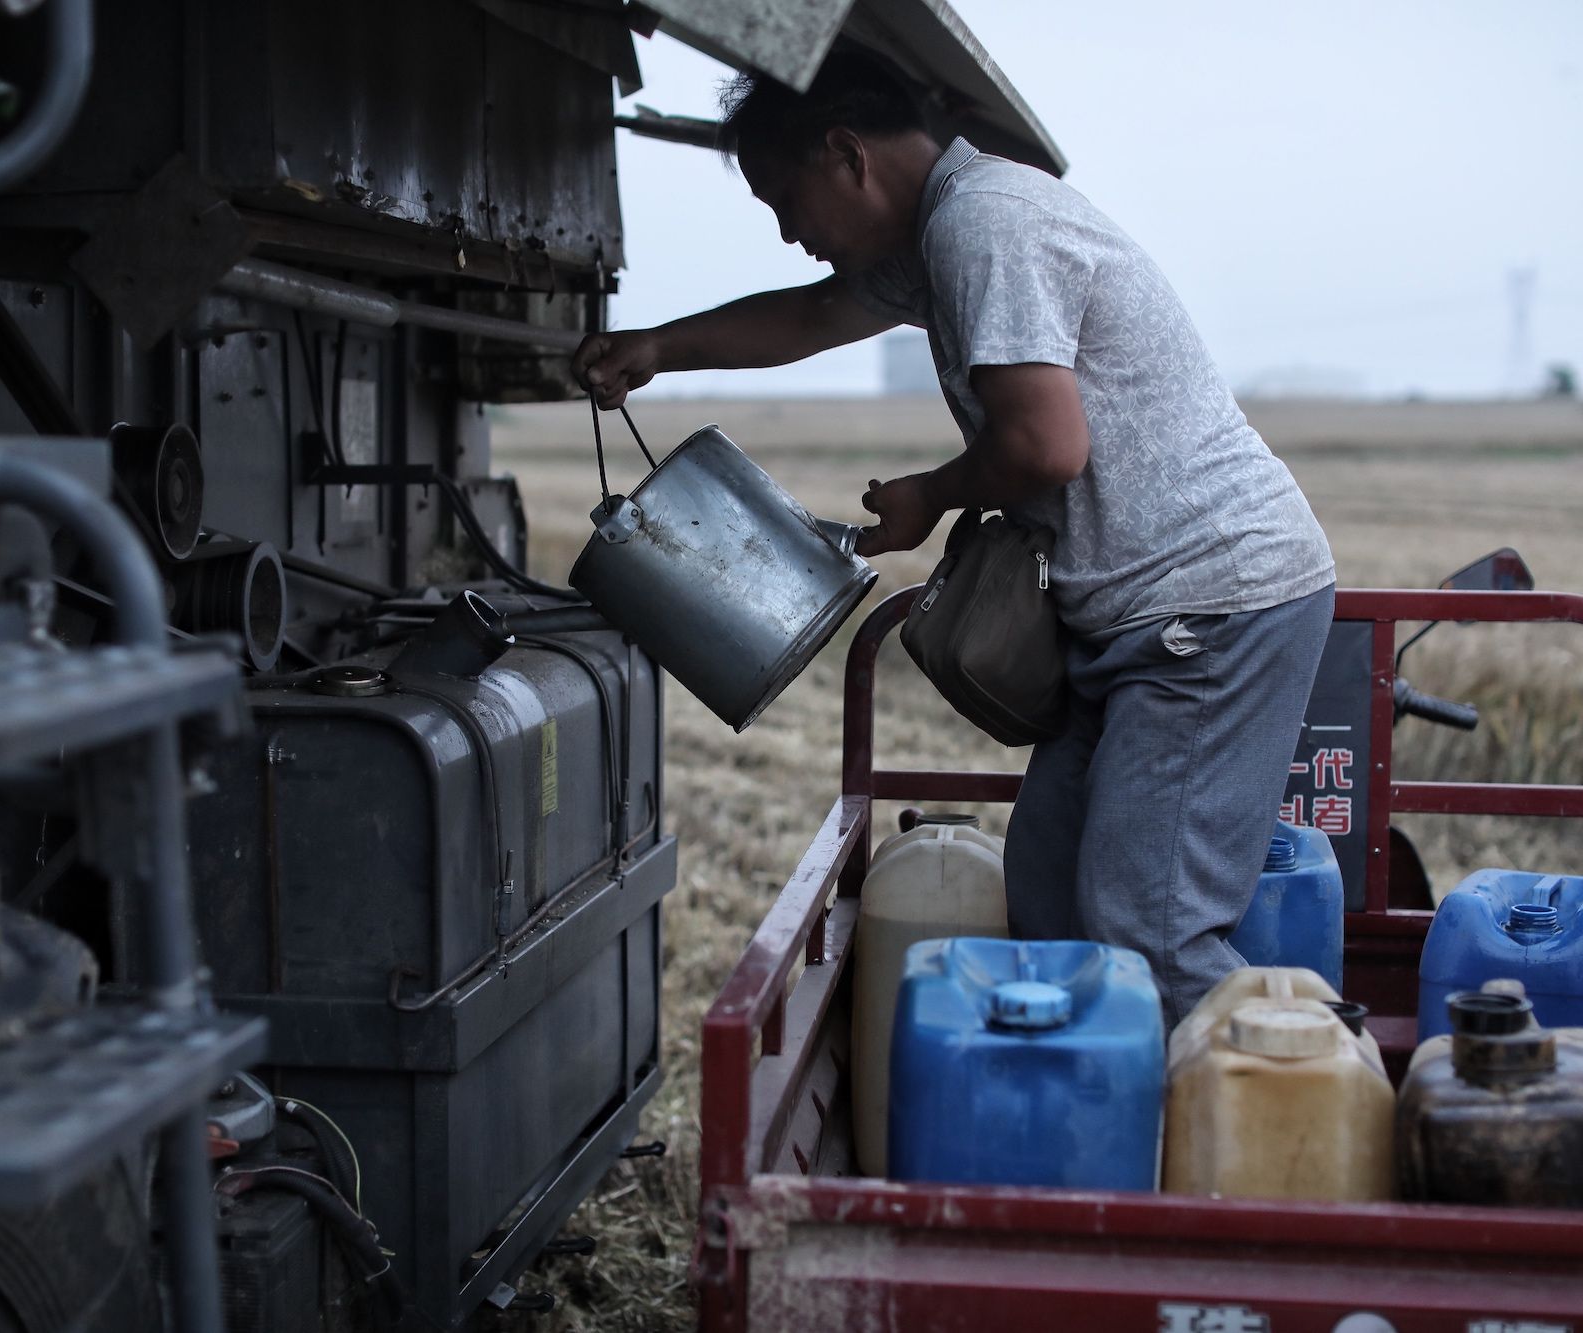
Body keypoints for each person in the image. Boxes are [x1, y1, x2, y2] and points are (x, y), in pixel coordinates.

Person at [571, 52, 1335, 1023]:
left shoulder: (984, 223)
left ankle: (1293, 1109)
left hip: (1207, 606)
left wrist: (931, 493)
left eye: (783, 199)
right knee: (1052, 896)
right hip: (1129, 621)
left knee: (1147, 932)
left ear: (846, 155)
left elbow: (1044, 445)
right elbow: (812, 315)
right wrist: (657, 348)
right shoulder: (930, 236)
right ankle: (1088, 1145)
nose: (788, 231)